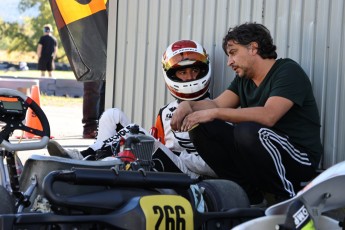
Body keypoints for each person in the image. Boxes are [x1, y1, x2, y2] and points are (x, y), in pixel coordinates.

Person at [170, 22, 323, 205]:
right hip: (262, 155)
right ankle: (251, 197)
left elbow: (269, 115)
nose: (229, 62)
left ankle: (287, 200)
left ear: (253, 48)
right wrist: (189, 106)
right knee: (202, 128)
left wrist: (215, 113)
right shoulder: (244, 80)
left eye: (233, 53)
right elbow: (217, 103)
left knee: (248, 131)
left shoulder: (287, 71)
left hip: (299, 157)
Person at [47, 40, 217, 179]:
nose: (190, 77)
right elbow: (159, 147)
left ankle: (83, 159)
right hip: (167, 165)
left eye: (194, 70)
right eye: (183, 73)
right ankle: (96, 163)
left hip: (193, 176)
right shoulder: (166, 112)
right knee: (112, 115)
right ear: (172, 75)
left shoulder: (216, 108)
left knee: (137, 136)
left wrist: (176, 155)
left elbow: (216, 166)